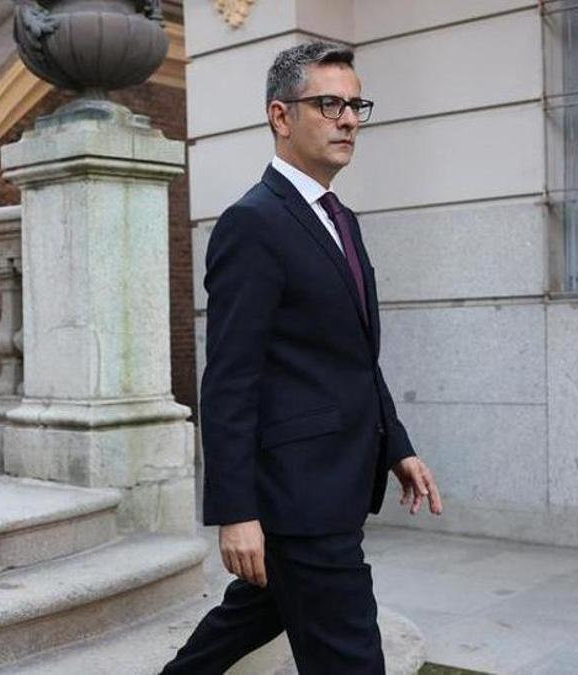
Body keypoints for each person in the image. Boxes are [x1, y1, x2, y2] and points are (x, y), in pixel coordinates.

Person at [161, 41, 443, 675]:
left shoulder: (339, 217)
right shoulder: (252, 224)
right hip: (300, 496)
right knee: (352, 660)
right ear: (281, 117)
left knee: (251, 614)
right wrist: (235, 513)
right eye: (329, 104)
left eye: (355, 105)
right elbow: (230, 379)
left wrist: (396, 445)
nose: (348, 119)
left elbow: (352, 358)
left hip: (338, 479)